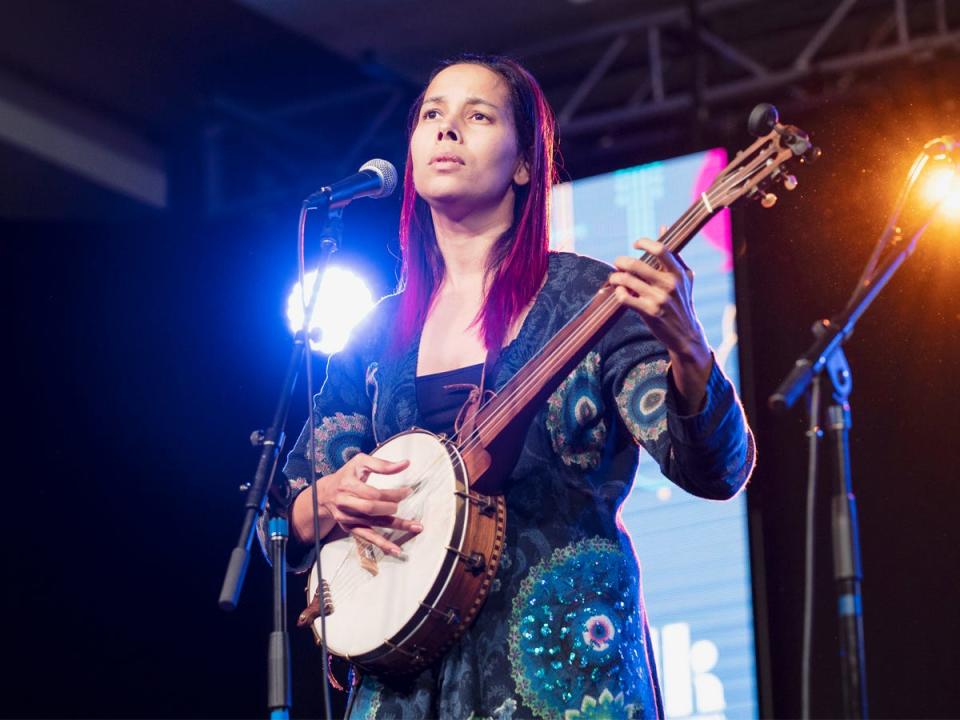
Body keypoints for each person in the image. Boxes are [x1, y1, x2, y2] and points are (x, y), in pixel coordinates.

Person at [273, 53, 755, 720]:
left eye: (477, 115)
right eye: (433, 115)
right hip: (402, 689)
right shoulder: (376, 336)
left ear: (526, 163)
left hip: (562, 671)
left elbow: (714, 468)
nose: (447, 129)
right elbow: (285, 517)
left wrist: (691, 351)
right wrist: (320, 503)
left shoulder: (589, 299)